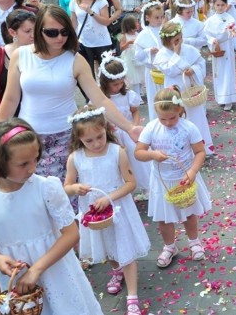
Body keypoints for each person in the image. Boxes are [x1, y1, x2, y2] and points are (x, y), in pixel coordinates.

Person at [0, 5, 142, 181]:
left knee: (69, 192)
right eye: (52, 32)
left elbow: (100, 100)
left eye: (64, 32)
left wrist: (129, 128)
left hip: (66, 136)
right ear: (39, 31)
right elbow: (11, 99)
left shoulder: (75, 60)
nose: (59, 37)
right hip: (28, 137)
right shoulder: (21, 55)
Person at [0, 119, 104, 314]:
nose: (32, 168)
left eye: (36, 159)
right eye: (23, 164)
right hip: (17, 283)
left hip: (55, 273)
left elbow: (71, 234)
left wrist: (36, 269)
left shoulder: (46, 187)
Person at [63, 106, 150, 315]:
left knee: (126, 250)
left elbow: (131, 183)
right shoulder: (75, 158)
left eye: (99, 137)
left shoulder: (116, 152)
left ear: (106, 129)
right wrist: (76, 188)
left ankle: (132, 297)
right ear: (79, 138)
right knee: (108, 247)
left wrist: (109, 197)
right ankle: (116, 269)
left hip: (118, 208)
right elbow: (66, 187)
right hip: (94, 213)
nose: (96, 143)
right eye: (89, 141)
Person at [135, 87, 212, 268]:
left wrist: (192, 171)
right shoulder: (152, 128)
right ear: (156, 114)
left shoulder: (189, 127)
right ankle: (170, 247)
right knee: (163, 218)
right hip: (162, 180)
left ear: (179, 111)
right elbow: (139, 152)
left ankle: (194, 242)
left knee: (189, 213)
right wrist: (153, 155)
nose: (168, 122)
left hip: (184, 177)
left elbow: (200, 152)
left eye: (172, 118)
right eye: (163, 119)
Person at [153, 21, 214, 156]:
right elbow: (170, 70)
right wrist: (175, 54)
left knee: (195, 115)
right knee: (178, 115)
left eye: (180, 39)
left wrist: (194, 69)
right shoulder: (162, 55)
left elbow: (200, 63)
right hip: (174, 88)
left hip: (191, 89)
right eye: (175, 40)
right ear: (167, 41)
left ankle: (201, 147)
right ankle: (181, 148)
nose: (179, 42)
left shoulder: (189, 49)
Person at [97, 52, 150, 194]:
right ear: (105, 82)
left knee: (136, 158)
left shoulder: (127, 96)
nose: (119, 86)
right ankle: (124, 189)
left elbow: (134, 111)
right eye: (115, 84)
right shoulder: (100, 98)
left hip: (128, 132)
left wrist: (134, 125)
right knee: (117, 162)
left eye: (121, 83)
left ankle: (144, 186)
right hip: (111, 135)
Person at [70, 0, 112, 75]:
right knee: (87, 71)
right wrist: (71, 38)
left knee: (106, 71)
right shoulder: (74, 1)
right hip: (84, 40)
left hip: (101, 41)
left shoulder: (100, 1)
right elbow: (74, 22)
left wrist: (90, 12)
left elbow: (106, 21)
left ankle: (105, 90)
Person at [204, 0, 236, 112]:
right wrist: (212, 40)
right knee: (218, 73)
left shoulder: (230, 18)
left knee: (227, 72)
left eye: (222, 5)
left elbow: (233, 31)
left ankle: (228, 99)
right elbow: (206, 34)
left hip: (226, 47)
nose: (220, 7)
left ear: (226, 5)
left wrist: (229, 31)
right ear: (213, 5)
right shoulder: (210, 20)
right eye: (217, 5)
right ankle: (220, 97)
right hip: (216, 47)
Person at [0, 10, 35, 116]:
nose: (33, 35)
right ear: (12, 32)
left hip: (35, 115)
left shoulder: (44, 53)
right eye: (27, 31)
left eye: (35, 30)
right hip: (9, 117)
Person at [134, 2, 165, 121]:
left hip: (166, 69)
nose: (159, 20)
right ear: (147, 18)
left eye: (161, 17)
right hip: (152, 71)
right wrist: (148, 51)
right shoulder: (144, 34)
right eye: (156, 17)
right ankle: (157, 119)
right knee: (155, 97)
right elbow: (138, 55)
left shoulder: (165, 29)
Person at [118, 16, 143, 96]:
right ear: (130, 25)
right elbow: (121, 48)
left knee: (140, 75)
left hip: (137, 57)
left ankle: (140, 91)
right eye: (136, 23)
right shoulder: (124, 36)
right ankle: (137, 94)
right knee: (134, 76)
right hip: (129, 58)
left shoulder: (138, 34)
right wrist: (128, 43)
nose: (138, 24)